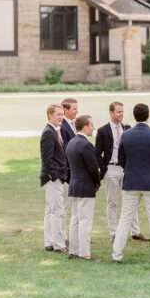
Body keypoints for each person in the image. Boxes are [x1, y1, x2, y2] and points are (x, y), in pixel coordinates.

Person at [112, 103, 150, 265]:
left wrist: (131, 169)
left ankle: (116, 255)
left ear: (134, 116)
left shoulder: (126, 135)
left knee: (125, 219)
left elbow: (121, 159)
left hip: (131, 181)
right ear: (148, 115)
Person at [95, 101, 147, 242]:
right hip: (111, 168)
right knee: (112, 202)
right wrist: (104, 169)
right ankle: (113, 232)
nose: (121, 115)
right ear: (111, 113)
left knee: (131, 200)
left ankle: (135, 231)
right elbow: (97, 153)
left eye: (122, 112)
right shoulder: (102, 131)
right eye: (118, 112)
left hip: (127, 169)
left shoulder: (128, 129)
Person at [65, 115, 101, 261]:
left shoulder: (71, 143)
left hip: (74, 185)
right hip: (85, 186)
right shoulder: (86, 145)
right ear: (85, 126)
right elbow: (93, 168)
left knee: (75, 219)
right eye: (91, 125)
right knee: (85, 220)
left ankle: (73, 250)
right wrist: (97, 182)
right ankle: (84, 253)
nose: (93, 128)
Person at [40, 104, 69, 253]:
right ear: (50, 115)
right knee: (57, 211)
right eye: (58, 114)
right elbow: (47, 159)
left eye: (62, 114)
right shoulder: (48, 133)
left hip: (59, 177)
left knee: (51, 210)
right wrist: (55, 176)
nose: (61, 117)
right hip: (53, 178)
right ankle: (58, 244)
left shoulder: (56, 131)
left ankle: (49, 242)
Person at [60, 98, 78, 244]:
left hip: (75, 173)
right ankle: (63, 236)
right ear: (65, 110)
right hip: (67, 173)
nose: (76, 112)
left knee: (73, 206)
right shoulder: (63, 127)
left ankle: (73, 235)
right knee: (64, 207)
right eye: (74, 109)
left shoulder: (73, 125)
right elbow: (66, 151)